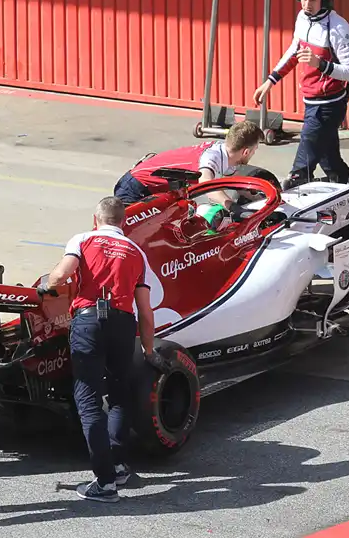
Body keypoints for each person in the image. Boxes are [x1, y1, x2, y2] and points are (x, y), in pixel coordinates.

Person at [43, 196, 160, 503]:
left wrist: (48, 286)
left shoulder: (83, 239)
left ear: (96, 219)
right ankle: (118, 466)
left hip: (89, 321)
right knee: (120, 394)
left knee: (88, 400)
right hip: (123, 324)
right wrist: (149, 350)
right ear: (123, 221)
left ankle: (105, 483)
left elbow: (60, 276)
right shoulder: (136, 252)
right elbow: (145, 310)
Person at [252, 0, 349, 189]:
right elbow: (294, 51)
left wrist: (320, 64)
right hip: (311, 101)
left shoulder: (339, 28)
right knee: (330, 162)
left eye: (312, 0)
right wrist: (271, 80)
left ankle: (290, 197)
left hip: (329, 105)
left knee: (300, 170)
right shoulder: (302, 18)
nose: (306, 5)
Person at [113, 120, 262, 208]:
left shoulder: (227, 155)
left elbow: (234, 183)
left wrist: (259, 200)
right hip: (135, 188)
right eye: (255, 149)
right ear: (246, 152)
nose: (254, 153)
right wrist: (233, 207)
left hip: (152, 189)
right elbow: (208, 187)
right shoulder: (212, 157)